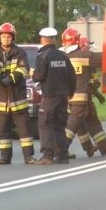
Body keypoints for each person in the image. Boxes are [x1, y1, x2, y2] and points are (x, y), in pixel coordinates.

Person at [0, 22, 36, 165]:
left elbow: (23, 70)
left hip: (18, 98)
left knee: (24, 131)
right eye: (3, 37)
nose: (6, 39)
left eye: (8, 37)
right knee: (3, 132)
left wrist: (10, 79)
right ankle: (5, 157)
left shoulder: (20, 52)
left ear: (13, 38)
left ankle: (28, 157)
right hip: (2, 100)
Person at [67, 34, 106, 158]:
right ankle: (60, 148)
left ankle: (104, 146)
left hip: (79, 97)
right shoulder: (84, 56)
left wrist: (97, 94)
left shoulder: (67, 57)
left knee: (92, 121)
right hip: (79, 97)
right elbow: (104, 58)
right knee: (74, 124)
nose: (89, 49)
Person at [31, 27, 76, 165]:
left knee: (45, 124)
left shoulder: (42, 56)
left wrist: (33, 75)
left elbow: (39, 76)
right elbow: (72, 77)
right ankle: (62, 155)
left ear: (42, 39)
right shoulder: (63, 56)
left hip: (49, 97)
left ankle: (48, 155)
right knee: (59, 125)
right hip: (63, 96)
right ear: (54, 39)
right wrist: (70, 93)